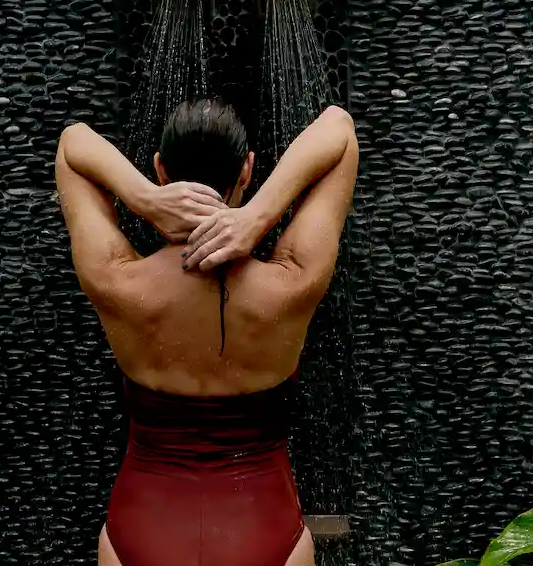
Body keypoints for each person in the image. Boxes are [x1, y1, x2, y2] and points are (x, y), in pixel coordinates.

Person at [53, 101, 359, 566]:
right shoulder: (291, 280)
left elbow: (73, 142)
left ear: (159, 168)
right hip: (264, 527)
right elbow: (339, 128)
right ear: (248, 169)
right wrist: (259, 215)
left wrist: (143, 199)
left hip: (141, 527)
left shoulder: (117, 281)